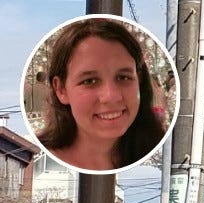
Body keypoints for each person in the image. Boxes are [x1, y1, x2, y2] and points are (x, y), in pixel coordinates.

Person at [37, 18, 165, 171]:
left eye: (123, 77)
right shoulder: (42, 155)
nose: (111, 96)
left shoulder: (158, 148)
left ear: (139, 81)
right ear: (61, 90)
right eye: (90, 81)